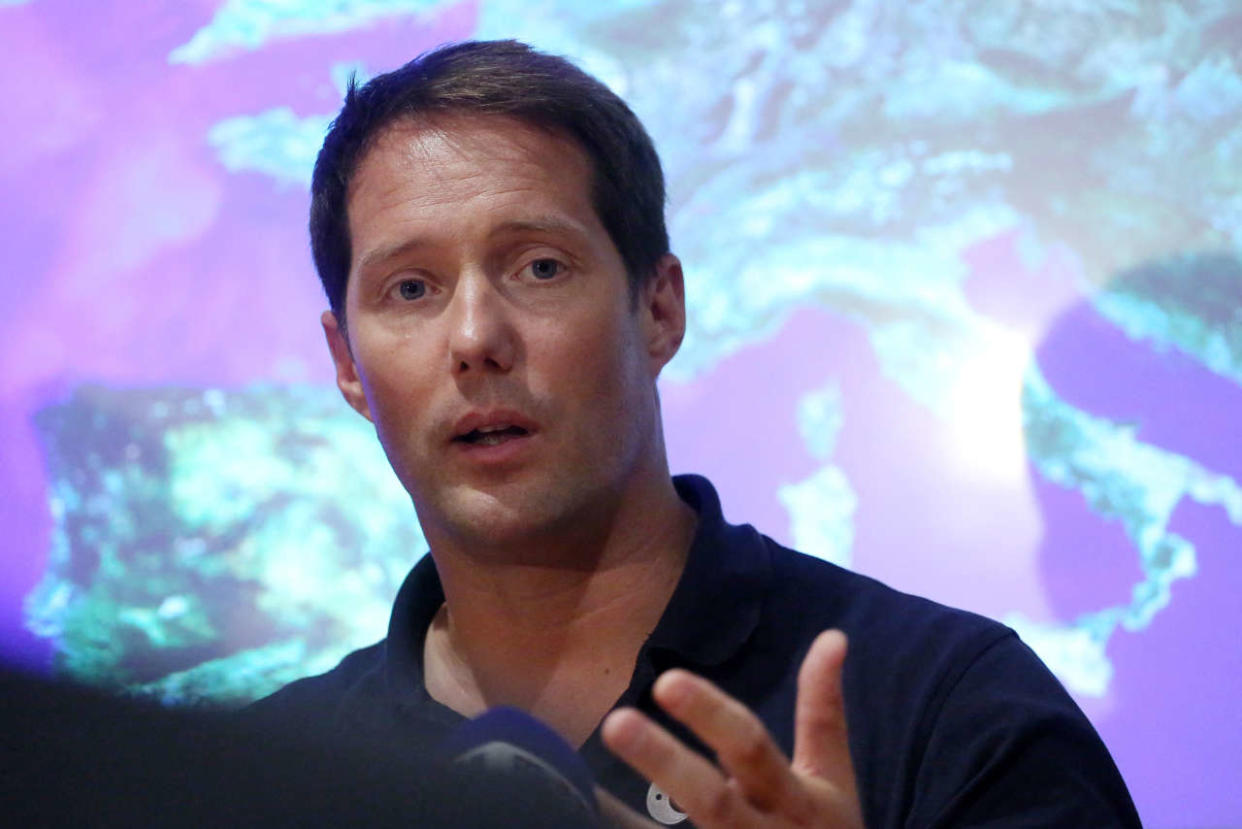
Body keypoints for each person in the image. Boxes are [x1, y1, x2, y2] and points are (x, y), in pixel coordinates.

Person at [252, 39, 1142, 827]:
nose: (477, 338)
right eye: (411, 288)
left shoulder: (950, 709)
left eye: (539, 266)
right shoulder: (264, 774)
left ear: (659, 307)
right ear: (346, 364)